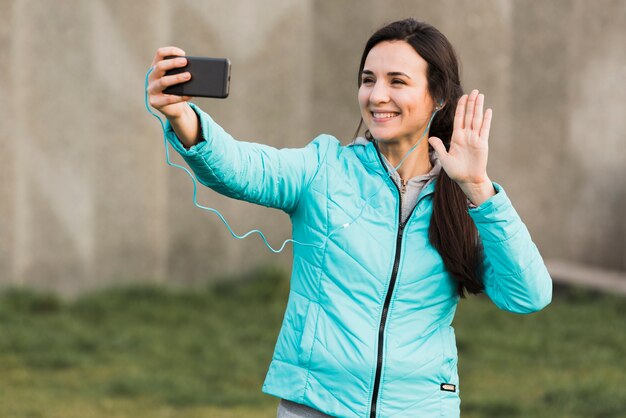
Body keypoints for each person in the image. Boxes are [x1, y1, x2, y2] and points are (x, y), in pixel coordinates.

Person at [147, 18, 552, 418]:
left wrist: (478, 187)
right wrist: (184, 118)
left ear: (439, 96)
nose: (377, 96)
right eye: (368, 79)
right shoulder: (324, 168)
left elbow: (527, 295)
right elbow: (242, 167)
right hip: (316, 405)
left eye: (397, 81)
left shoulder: (467, 198)